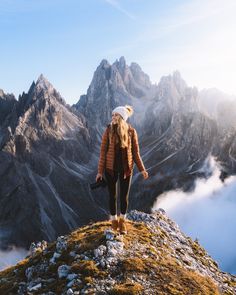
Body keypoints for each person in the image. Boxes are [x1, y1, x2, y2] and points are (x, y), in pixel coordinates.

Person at [96, 105, 149, 234]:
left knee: (124, 197)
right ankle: (114, 221)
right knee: (112, 196)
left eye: (115, 115)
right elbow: (103, 152)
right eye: (112, 115)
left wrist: (142, 169)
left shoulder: (131, 131)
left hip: (127, 169)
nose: (113, 117)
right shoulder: (108, 130)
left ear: (122, 117)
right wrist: (99, 172)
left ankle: (122, 222)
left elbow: (135, 153)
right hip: (110, 169)